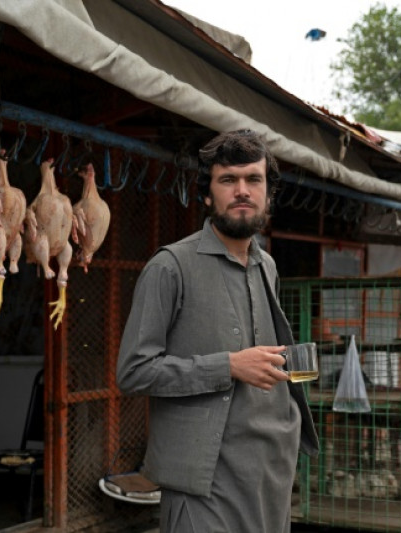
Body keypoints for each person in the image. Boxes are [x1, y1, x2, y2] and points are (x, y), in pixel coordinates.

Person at [117, 130, 319, 533]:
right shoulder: (170, 267)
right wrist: (227, 366)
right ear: (207, 195)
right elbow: (133, 372)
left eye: (253, 180)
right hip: (205, 482)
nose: (242, 191)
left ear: (268, 193)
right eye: (228, 180)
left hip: (270, 475)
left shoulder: (269, 266)